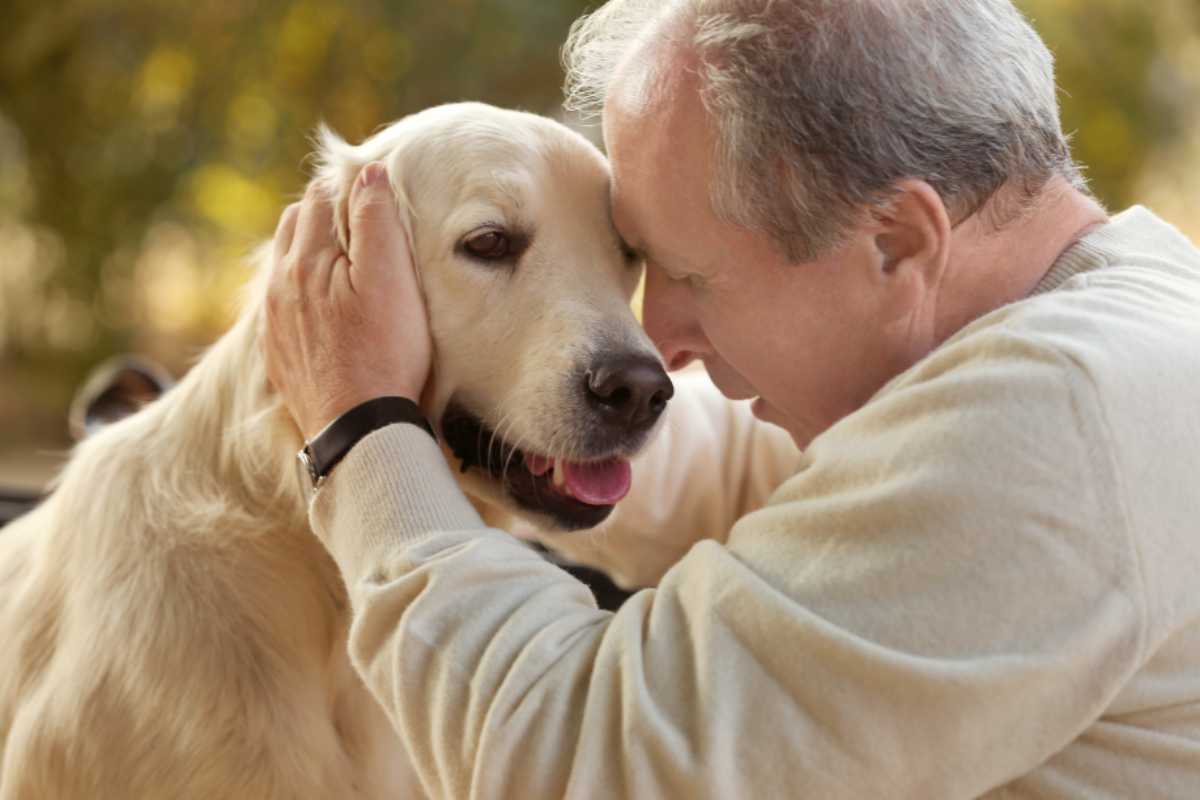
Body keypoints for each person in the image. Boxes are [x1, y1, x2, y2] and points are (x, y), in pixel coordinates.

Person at [262, 0, 1200, 796]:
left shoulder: (1053, 423)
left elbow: (590, 758)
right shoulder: (1125, 317)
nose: (662, 340)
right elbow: (770, 480)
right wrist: (509, 407)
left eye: (687, 275)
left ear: (896, 242)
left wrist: (362, 430)